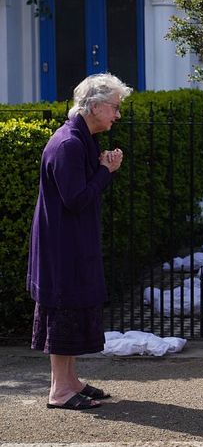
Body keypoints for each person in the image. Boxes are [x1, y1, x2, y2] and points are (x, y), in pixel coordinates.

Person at [28, 73, 131, 410]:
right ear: (95, 105)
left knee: (71, 307)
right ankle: (59, 390)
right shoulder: (70, 144)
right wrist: (106, 172)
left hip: (70, 242)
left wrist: (103, 167)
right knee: (63, 308)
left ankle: (71, 381)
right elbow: (75, 199)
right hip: (62, 247)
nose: (117, 115)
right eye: (114, 108)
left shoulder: (80, 138)